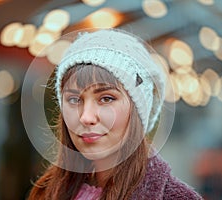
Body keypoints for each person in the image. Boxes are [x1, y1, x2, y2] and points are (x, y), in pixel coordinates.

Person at [27, 29, 202, 199]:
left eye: (106, 98)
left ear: (137, 110)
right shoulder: (46, 192)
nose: (86, 117)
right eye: (74, 100)